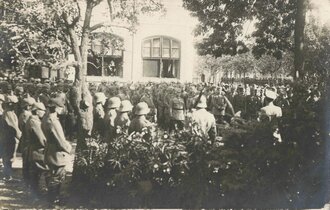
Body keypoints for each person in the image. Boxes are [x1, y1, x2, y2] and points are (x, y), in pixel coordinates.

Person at [41, 97, 72, 206]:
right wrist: (69, 149)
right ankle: (53, 201)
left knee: (51, 176)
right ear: (55, 108)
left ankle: (52, 199)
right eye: (60, 108)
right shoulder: (53, 121)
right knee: (57, 177)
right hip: (56, 154)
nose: (62, 110)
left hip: (50, 151)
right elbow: (60, 140)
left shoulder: (46, 118)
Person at [25, 102, 48, 198]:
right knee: (45, 171)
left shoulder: (31, 120)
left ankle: (34, 194)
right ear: (37, 111)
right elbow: (42, 139)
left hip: (33, 151)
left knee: (34, 174)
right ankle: (39, 195)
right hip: (38, 151)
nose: (44, 112)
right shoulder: (35, 122)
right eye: (42, 110)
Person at [1, 95, 22, 181]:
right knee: (8, 157)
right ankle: (8, 176)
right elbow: (14, 128)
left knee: (8, 156)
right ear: (10, 104)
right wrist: (21, 137)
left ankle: (8, 174)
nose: (16, 105)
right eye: (14, 104)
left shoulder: (9, 112)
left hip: (8, 138)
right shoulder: (8, 113)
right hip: (8, 139)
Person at [18, 97, 35, 187]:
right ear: (28, 106)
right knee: (27, 161)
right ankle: (27, 181)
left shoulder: (23, 114)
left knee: (27, 161)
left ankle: (27, 180)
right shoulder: (26, 115)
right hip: (27, 140)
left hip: (25, 139)